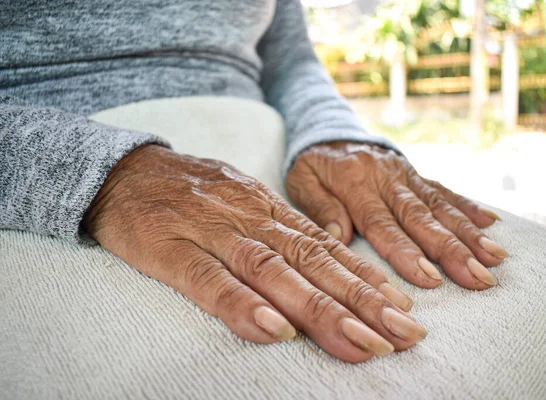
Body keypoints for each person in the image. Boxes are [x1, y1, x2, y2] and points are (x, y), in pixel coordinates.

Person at [0, 0, 507, 363]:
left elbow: (291, 62)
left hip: (268, 162)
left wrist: (332, 136)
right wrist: (102, 174)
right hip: (48, 189)